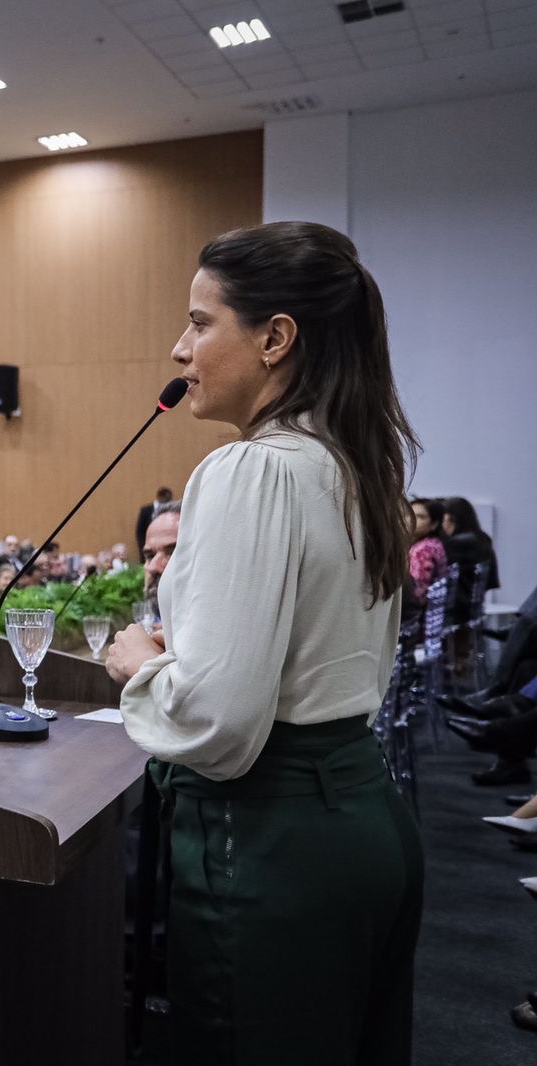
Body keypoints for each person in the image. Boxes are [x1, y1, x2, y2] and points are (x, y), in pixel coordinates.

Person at [103, 222, 423, 1064]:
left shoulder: (250, 469)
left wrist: (146, 668)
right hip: (362, 818)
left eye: (200, 323)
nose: (180, 349)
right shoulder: (355, 467)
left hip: (270, 844)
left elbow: (219, 723)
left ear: (275, 338)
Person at [406, 497, 449, 604]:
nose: (411, 520)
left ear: (434, 524)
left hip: (418, 610)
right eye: (408, 514)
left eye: (419, 517)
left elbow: (417, 592)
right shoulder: (435, 543)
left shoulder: (423, 550)